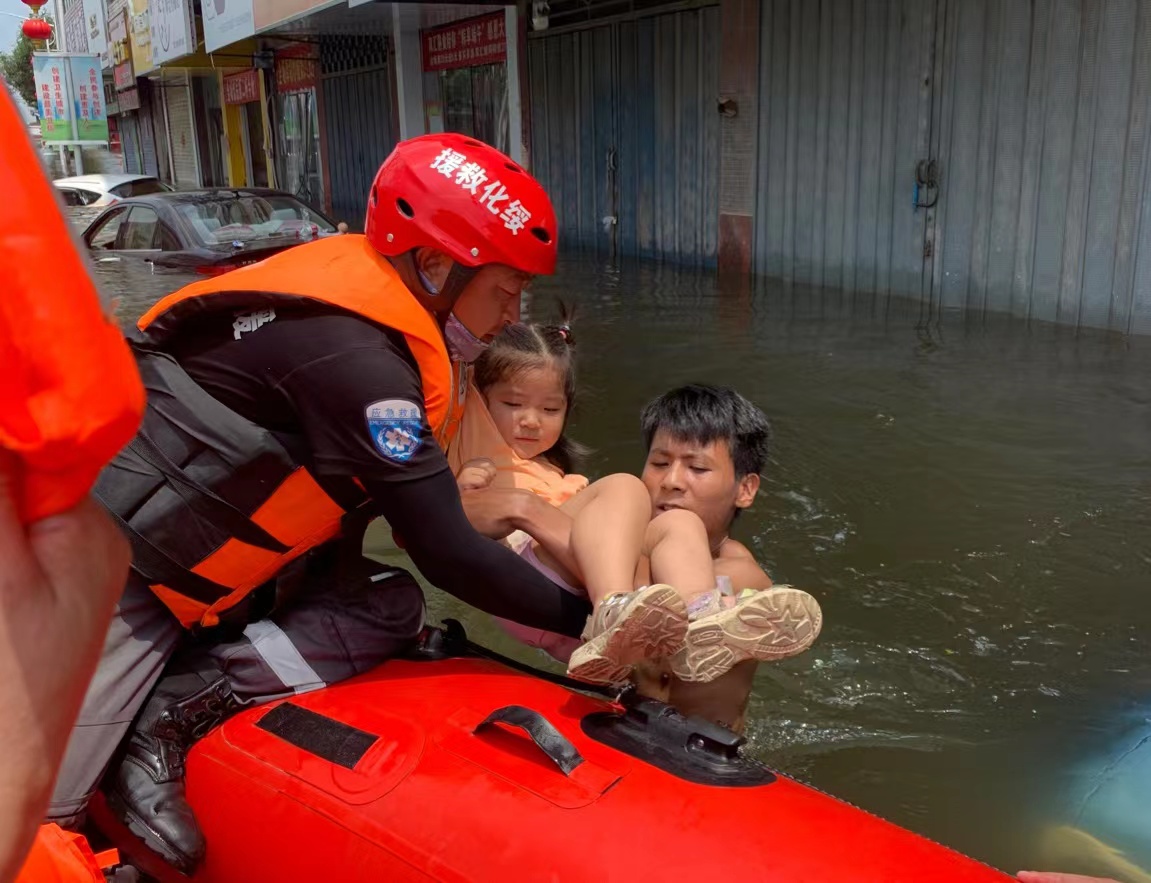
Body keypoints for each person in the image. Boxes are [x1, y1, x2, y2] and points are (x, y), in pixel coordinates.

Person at [43, 135, 607, 875]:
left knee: (389, 604)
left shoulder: (381, 335)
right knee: (39, 807)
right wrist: (587, 623)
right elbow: (444, 548)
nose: (513, 313)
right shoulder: (358, 363)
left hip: (228, 575)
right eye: (504, 290)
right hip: (122, 575)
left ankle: (184, 695)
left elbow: (355, 515)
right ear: (436, 266)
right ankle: (127, 754)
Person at [449, 324, 822, 705]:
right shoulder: (620, 522)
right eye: (659, 462)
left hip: (672, 722)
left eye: (697, 468)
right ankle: (625, 609)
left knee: (689, 547)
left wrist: (526, 510)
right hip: (555, 596)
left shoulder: (741, 572)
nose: (671, 481)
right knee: (647, 506)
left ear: (745, 489)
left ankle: (694, 615)